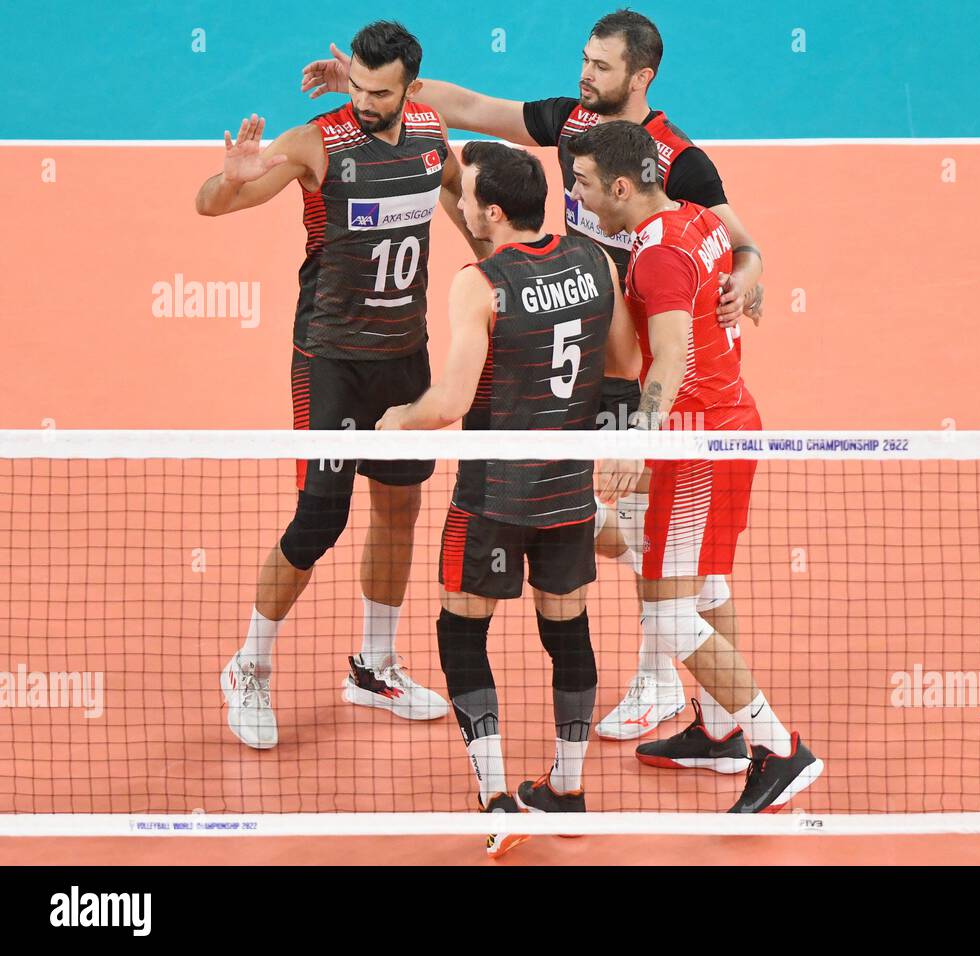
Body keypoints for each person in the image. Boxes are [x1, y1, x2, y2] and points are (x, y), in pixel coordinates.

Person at [302, 10, 764, 739]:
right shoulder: (573, 121)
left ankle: (663, 683)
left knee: (645, 527)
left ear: (641, 77)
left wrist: (754, 270)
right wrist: (375, 92)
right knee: (643, 533)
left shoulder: (679, 161)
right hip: (589, 340)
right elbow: (474, 109)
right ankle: (698, 688)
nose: (586, 74)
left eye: (602, 67)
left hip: (645, 366)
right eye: (585, 59)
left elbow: (736, 242)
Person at [196, 21, 484, 749]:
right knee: (319, 521)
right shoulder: (317, 142)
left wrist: (487, 251)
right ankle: (249, 667)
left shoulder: (428, 132)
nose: (363, 100)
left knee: (399, 510)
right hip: (329, 361)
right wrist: (229, 178)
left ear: (410, 89)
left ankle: (374, 667)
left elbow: (454, 187)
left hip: (404, 358)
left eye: (378, 91)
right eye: (355, 83)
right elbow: (210, 205)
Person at [376, 141, 640, 855]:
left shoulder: (479, 283)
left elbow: (452, 400)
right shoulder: (596, 263)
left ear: (492, 212)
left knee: (462, 631)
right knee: (567, 633)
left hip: (492, 494)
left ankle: (496, 796)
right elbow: (624, 369)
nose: (459, 204)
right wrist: (603, 445)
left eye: (467, 197)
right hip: (568, 491)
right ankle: (569, 791)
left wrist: (396, 420)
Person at [567, 121, 822, 812]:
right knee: (704, 586)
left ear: (622, 187)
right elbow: (738, 273)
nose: (575, 194)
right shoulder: (699, 220)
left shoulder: (656, 258)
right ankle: (717, 732)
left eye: (584, 184)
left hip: (697, 440)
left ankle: (776, 747)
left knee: (669, 613)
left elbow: (671, 355)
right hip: (728, 423)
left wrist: (636, 443)